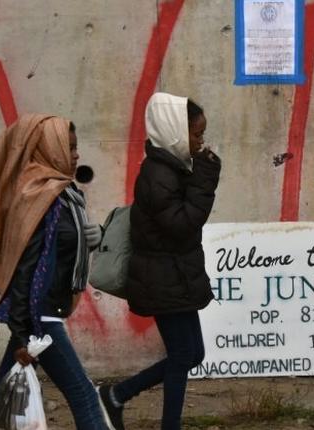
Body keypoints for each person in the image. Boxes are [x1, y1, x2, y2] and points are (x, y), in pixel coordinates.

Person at [0, 114, 108, 429]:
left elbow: (61, 249)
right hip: (39, 317)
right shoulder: (41, 197)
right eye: (69, 148)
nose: (76, 155)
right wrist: (21, 334)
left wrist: (93, 237)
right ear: (50, 150)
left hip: (40, 314)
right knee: (84, 395)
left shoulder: (63, 194)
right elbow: (25, 270)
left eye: (76, 148)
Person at [97, 93, 221, 430]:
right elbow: (183, 224)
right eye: (196, 134)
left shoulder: (174, 167)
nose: (201, 141)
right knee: (184, 354)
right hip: (163, 278)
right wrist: (206, 177)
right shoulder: (158, 175)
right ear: (176, 131)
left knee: (193, 353)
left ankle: (116, 395)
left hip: (174, 276)